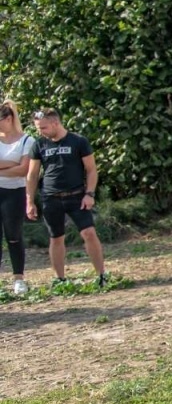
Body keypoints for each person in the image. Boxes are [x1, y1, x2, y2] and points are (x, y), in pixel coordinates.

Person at [25, 108, 107, 287]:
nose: (41, 132)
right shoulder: (39, 144)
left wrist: (89, 194)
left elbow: (91, 169)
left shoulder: (78, 141)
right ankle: (60, 279)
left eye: (43, 128)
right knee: (56, 238)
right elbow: (32, 175)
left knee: (89, 233)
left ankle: (102, 275)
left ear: (56, 123)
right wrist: (30, 201)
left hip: (77, 196)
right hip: (51, 197)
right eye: (39, 128)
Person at [0, 101, 37, 295]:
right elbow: (16, 166)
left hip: (14, 192)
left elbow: (24, 169)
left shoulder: (26, 141)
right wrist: (11, 165)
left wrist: (6, 167)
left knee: (13, 235)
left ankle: (18, 278)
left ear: (8, 119)